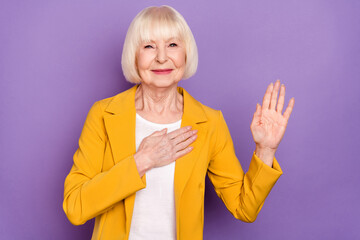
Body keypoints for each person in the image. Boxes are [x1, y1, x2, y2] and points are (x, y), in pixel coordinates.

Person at [63, 5, 295, 240]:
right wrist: (141, 161)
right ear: (134, 55)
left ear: (186, 54)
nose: (162, 57)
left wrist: (265, 150)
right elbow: (75, 206)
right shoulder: (103, 114)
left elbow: (244, 208)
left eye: (172, 45)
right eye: (149, 46)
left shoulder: (209, 123)